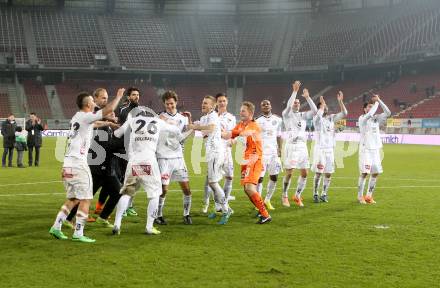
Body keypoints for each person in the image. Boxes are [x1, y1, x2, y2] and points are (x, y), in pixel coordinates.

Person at [48, 88, 124, 243]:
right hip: (78, 165)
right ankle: (78, 233)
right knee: (86, 199)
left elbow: (94, 124)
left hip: (67, 164)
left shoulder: (77, 117)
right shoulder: (86, 116)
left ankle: (56, 227)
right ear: (89, 104)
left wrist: (108, 123)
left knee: (73, 198)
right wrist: (118, 97)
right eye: (91, 100)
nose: (93, 101)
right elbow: (108, 109)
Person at [112, 110, 192, 235]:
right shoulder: (158, 121)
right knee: (155, 194)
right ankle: (149, 227)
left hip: (134, 162)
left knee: (127, 193)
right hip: (149, 162)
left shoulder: (132, 121)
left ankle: (117, 224)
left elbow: (117, 134)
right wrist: (185, 125)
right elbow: (176, 131)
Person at [64, 88, 122, 228]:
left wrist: (109, 123)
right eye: (102, 98)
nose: (105, 100)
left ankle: (97, 217)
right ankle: (73, 224)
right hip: (95, 164)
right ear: (92, 101)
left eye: (107, 97)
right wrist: (118, 96)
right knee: (83, 197)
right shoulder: (90, 115)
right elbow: (106, 113)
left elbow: (96, 122)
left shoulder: (80, 117)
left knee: (115, 192)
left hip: (100, 164)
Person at [223, 101, 272, 224]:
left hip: (254, 159)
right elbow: (229, 134)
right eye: (240, 110)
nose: (240, 112)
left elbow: (246, 133)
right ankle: (262, 212)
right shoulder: (241, 124)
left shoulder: (253, 125)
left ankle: (265, 214)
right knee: (246, 189)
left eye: (243, 110)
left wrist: (233, 135)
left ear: (250, 113)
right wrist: (217, 132)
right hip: (246, 159)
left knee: (250, 188)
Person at [189, 95, 231, 224]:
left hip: (216, 152)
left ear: (212, 106)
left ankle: (226, 209)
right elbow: (200, 131)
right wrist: (190, 121)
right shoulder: (204, 118)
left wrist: (196, 127)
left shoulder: (213, 115)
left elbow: (211, 128)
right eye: (202, 102)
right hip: (210, 153)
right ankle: (219, 207)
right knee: (212, 184)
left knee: (212, 183)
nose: (203, 104)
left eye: (206, 103)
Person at [156, 90, 193, 225]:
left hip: (178, 158)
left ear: (176, 102)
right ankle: (158, 216)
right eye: (167, 104)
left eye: (171, 103)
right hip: (163, 158)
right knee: (163, 190)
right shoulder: (159, 117)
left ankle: (187, 214)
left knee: (187, 189)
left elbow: (184, 137)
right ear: (164, 104)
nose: (169, 106)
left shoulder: (182, 119)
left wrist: (189, 120)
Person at [281, 81, 318, 207]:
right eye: (294, 102)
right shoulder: (286, 115)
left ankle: (297, 195)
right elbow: (288, 105)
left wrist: (307, 97)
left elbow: (315, 111)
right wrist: (295, 91)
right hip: (291, 146)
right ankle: (284, 195)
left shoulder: (302, 115)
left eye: (298, 102)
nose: (296, 104)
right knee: (290, 172)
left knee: (305, 173)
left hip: (302, 146)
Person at [202, 92, 236, 213]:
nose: (222, 103)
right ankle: (217, 204)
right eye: (219, 101)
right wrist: (221, 133)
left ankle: (224, 202)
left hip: (226, 151)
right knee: (211, 180)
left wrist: (231, 139)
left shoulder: (231, 118)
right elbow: (205, 134)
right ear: (215, 103)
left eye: (224, 101)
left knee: (229, 177)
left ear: (227, 102)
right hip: (214, 150)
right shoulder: (211, 116)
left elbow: (233, 135)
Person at [311, 92, 347, 203]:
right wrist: (322, 104)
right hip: (320, 149)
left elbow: (344, 113)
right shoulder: (317, 119)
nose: (326, 108)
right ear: (319, 109)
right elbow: (319, 113)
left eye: (326, 107)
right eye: (323, 107)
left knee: (329, 173)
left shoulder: (331, 118)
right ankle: (315, 193)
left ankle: (324, 194)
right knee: (319, 173)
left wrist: (340, 101)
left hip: (330, 150)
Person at [357, 94, 391, 204]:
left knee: (375, 173)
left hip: (375, 149)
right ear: (364, 109)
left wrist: (379, 100)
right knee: (364, 173)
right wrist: (375, 103)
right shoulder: (363, 119)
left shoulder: (376, 119)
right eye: (368, 107)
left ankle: (369, 196)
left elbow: (388, 113)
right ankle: (360, 196)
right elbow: (371, 113)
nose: (370, 109)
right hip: (365, 149)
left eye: (371, 107)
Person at [115, 87, 142, 217]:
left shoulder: (143, 111)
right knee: (123, 179)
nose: (136, 97)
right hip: (123, 149)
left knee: (135, 179)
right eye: (133, 95)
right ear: (128, 97)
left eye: (137, 95)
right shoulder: (122, 110)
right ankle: (122, 207)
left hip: (138, 149)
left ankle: (130, 206)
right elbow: (116, 127)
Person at [255, 100, 283, 210]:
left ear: (270, 106)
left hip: (273, 154)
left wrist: (280, 149)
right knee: (259, 179)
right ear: (261, 108)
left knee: (274, 177)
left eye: (267, 104)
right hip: (261, 154)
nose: (266, 105)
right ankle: (259, 202)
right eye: (263, 104)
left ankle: (267, 199)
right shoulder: (257, 121)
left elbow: (279, 136)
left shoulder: (278, 119)